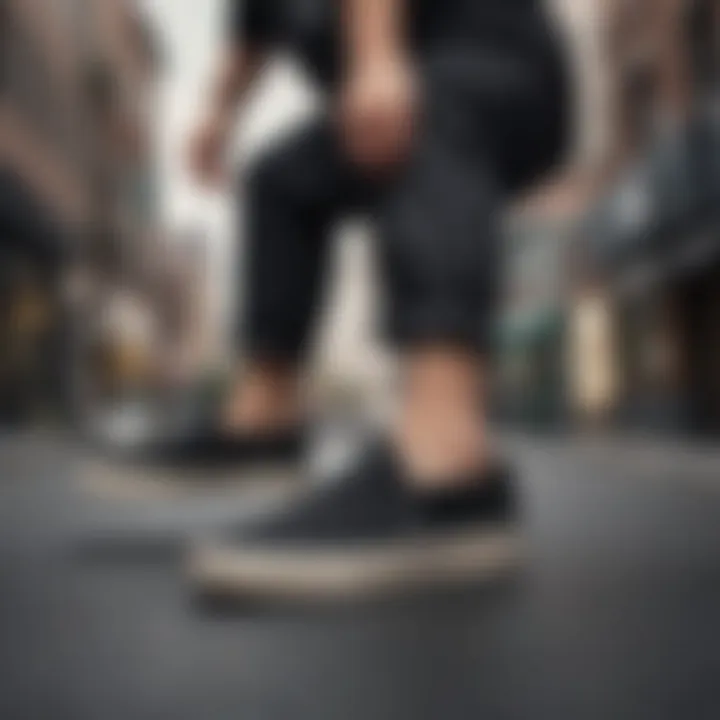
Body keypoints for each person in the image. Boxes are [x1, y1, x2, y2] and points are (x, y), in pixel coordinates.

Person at [181, 0, 569, 598]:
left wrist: (377, 54)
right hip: (396, 75)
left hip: (502, 67)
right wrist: (218, 117)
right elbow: (249, 38)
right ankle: (264, 420)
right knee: (279, 180)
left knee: (426, 103)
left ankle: (448, 468)